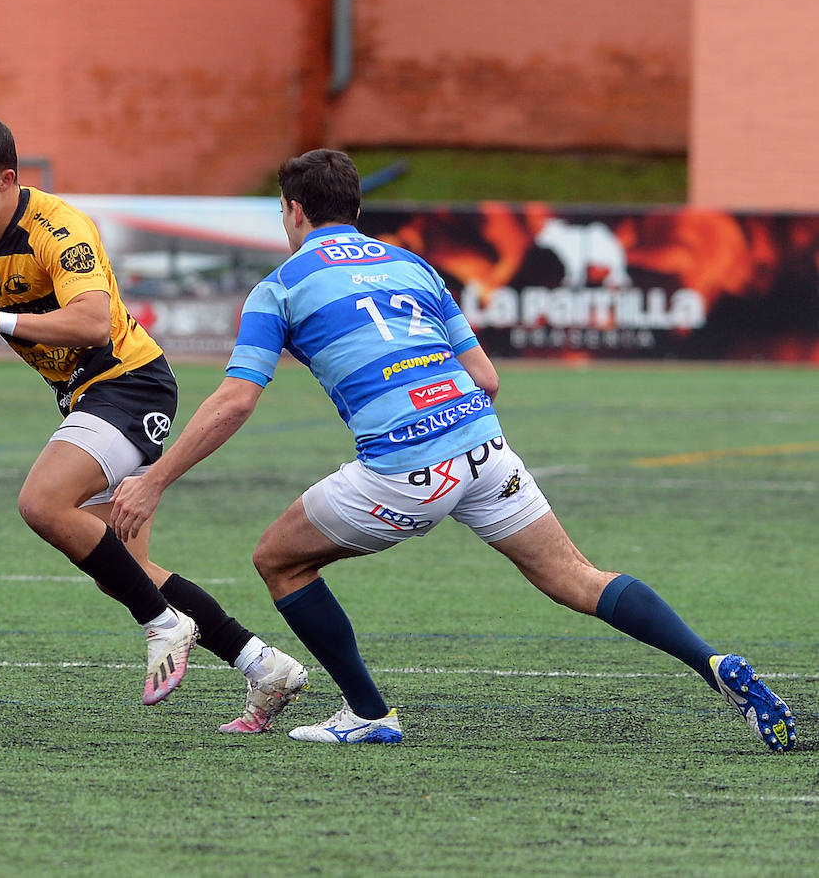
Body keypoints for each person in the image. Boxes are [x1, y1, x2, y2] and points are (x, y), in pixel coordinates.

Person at [110, 149, 798, 751]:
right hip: (485, 449)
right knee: (578, 578)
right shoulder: (414, 266)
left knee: (278, 559)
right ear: (356, 207)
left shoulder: (281, 286)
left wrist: (155, 479)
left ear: (292, 212)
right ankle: (714, 663)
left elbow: (235, 398)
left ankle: (369, 713)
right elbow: (487, 379)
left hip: (406, 469)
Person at [0, 112, 308, 731]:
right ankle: (265, 666)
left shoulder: (60, 227)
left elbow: (93, 322)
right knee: (126, 573)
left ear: (7, 180)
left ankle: (164, 624)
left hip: (132, 383)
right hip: (82, 398)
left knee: (42, 501)